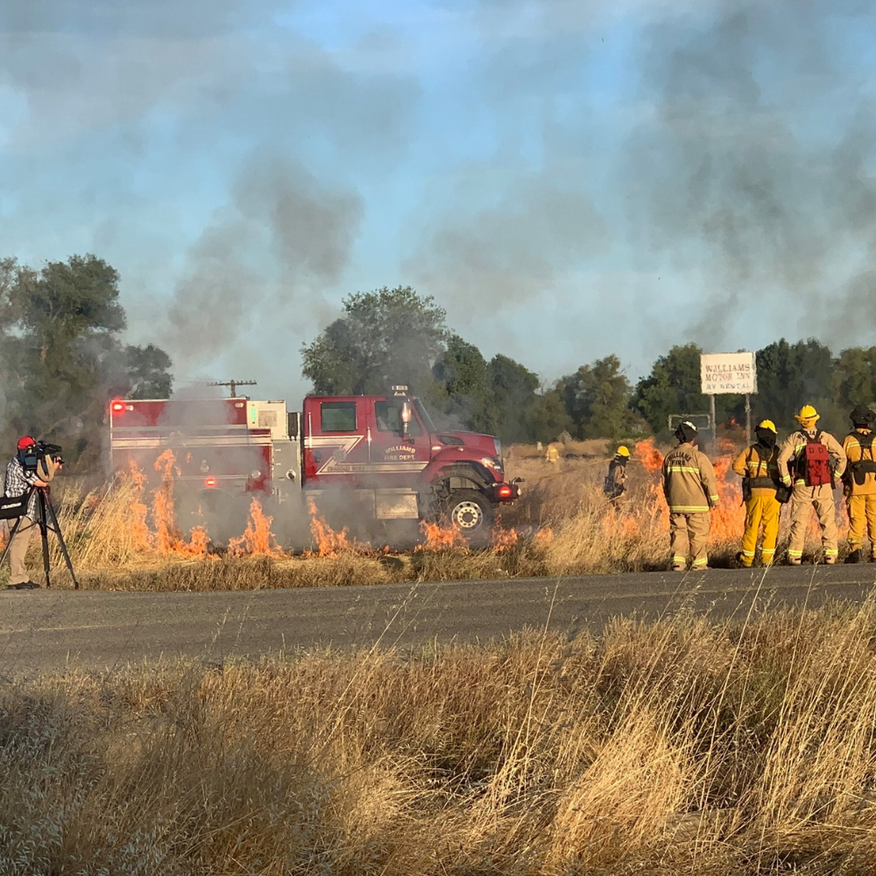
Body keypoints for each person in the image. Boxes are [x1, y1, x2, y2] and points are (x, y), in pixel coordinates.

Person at [777, 405, 846, 565]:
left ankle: (794, 557)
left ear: (800, 421)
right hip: (824, 485)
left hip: (802, 485)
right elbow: (842, 457)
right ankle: (830, 555)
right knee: (828, 521)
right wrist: (835, 476)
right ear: (816, 419)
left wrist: (787, 479)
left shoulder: (795, 437)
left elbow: (782, 460)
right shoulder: (825, 437)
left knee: (799, 522)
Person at [662, 421, 719, 571]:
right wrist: (714, 499)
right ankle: (699, 564)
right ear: (692, 439)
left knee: (678, 534)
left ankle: (677, 563)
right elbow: (708, 480)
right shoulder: (698, 457)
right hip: (697, 504)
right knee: (698, 534)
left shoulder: (669, 457)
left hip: (676, 504)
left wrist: (669, 499)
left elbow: (664, 482)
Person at [3, 437, 58, 590]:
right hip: (18, 511)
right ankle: (15, 579)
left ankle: (21, 577)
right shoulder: (18, 465)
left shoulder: (22, 464)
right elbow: (42, 482)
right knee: (18, 543)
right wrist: (51, 466)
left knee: (21, 544)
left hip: (23, 510)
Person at [732, 419, 784, 568]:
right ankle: (767, 559)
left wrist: (750, 473)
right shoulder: (777, 452)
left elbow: (736, 467)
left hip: (754, 493)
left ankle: (747, 559)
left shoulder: (751, 450)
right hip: (773, 494)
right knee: (771, 527)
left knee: (752, 525)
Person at [842, 404, 876, 564]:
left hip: (856, 488)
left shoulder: (849, 440)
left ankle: (855, 550)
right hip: (875, 488)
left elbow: (842, 463)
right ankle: (875, 551)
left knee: (857, 519)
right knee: (874, 519)